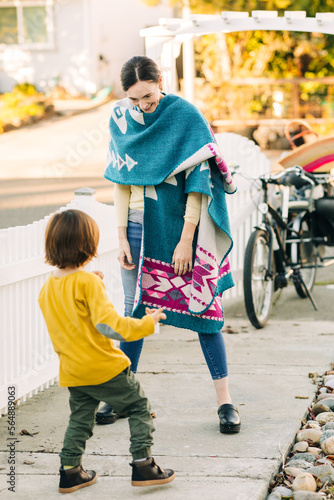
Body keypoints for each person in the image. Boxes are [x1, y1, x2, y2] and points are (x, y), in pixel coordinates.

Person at [100, 55, 241, 434]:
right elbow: (120, 180)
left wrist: (186, 241)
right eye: (135, 100)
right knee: (135, 314)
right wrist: (120, 237)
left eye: (148, 96)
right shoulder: (120, 119)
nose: (143, 105)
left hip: (180, 230)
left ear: (160, 81)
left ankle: (225, 402)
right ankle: (122, 396)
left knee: (205, 312)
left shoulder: (185, 116)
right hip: (135, 228)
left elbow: (199, 184)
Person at [38, 209, 175, 493]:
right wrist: (146, 323)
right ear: (88, 246)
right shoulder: (87, 283)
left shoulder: (48, 288)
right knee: (138, 407)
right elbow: (109, 326)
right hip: (104, 367)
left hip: (74, 371)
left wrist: (93, 282)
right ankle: (143, 465)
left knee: (80, 419)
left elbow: (74, 316)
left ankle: (70, 471)